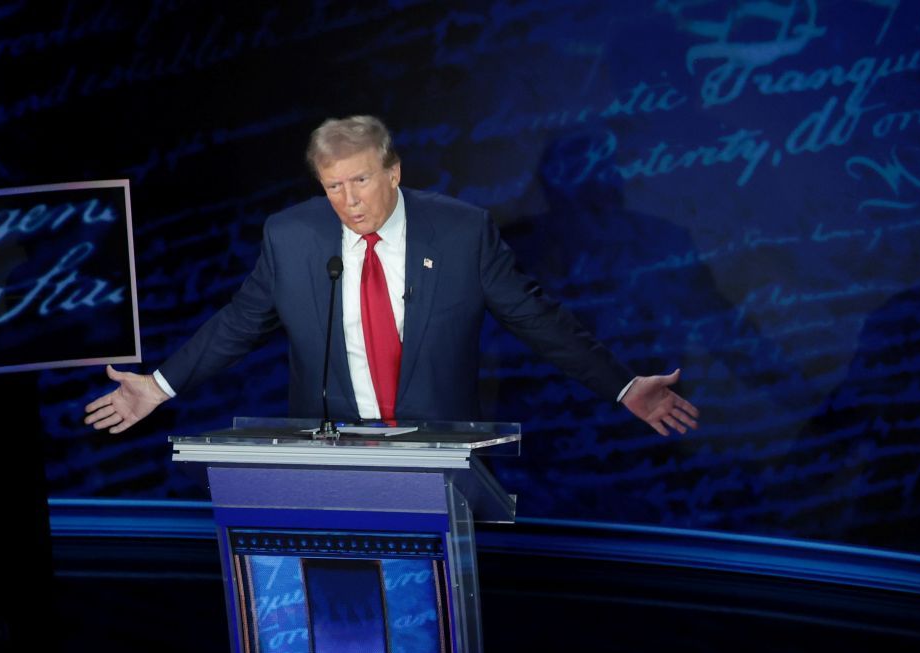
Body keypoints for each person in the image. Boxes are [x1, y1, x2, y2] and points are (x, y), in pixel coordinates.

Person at [83, 115, 698, 438]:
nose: (348, 201)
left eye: (360, 180)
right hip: (330, 452)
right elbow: (239, 324)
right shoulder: (292, 238)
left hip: (437, 449)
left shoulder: (461, 232)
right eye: (332, 186)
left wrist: (622, 388)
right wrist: (157, 386)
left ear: (394, 171)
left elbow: (539, 320)